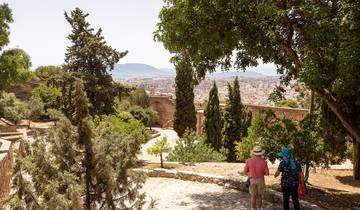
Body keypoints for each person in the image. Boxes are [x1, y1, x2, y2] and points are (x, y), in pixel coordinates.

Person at [244, 145, 269, 210]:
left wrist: (250, 174)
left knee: (253, 196)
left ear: (253, 153)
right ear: (261, 153)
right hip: (260, 180)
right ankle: (259, 208)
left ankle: (252, 208)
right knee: (259, 196)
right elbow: (267, 173)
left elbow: (245, 172)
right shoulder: (264, 162)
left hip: (252, 179)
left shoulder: (248, 161)